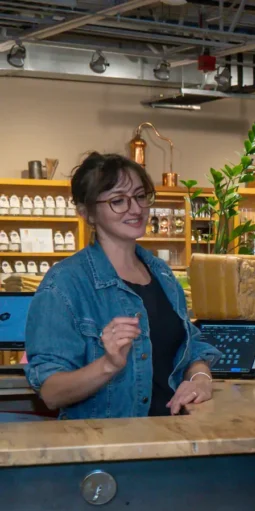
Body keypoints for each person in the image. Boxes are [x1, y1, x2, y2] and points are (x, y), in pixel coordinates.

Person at [24, 153, 221, 419]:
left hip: (174, 438)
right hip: (109, 449)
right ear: (87, 212)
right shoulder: (64, 285)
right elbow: (51, 392)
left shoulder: (161, 273)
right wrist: (108, 365)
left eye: (141, 196)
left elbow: (191, 348)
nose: (136, 209)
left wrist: (200, 379)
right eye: (118, 201)